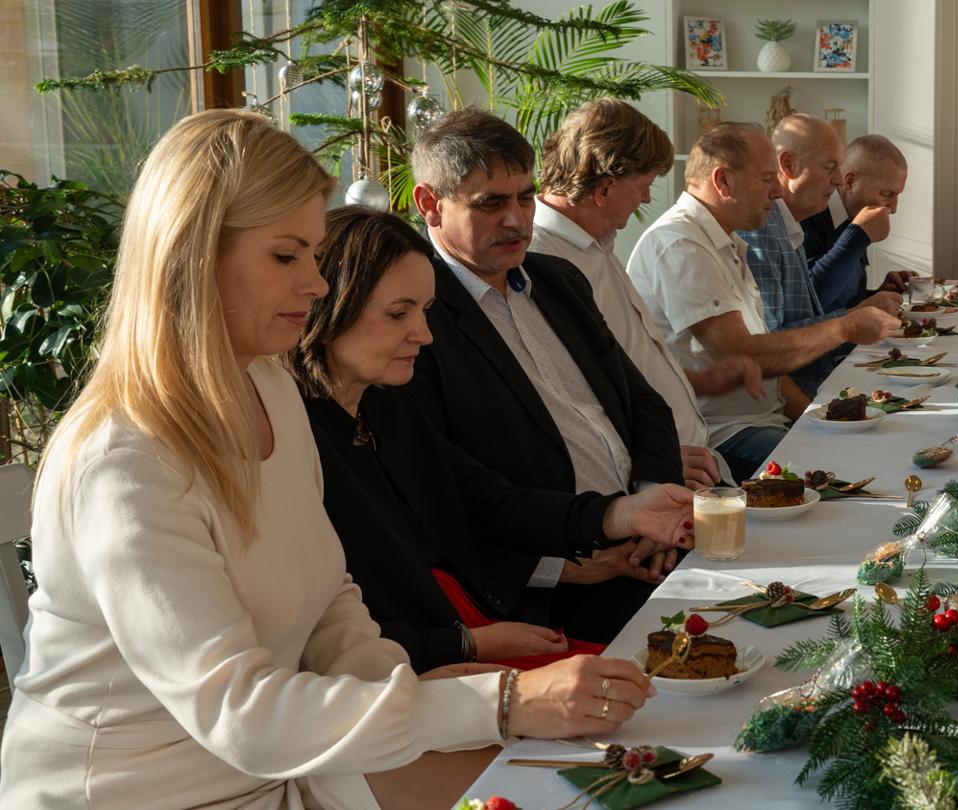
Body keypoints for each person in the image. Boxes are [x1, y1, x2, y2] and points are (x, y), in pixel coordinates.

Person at [0, 109, 650, 810]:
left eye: (313, 253)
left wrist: (400, 682)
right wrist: (499, 701)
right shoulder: (124, 459)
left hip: (290, 759)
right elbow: (241, 713)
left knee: (595, 784)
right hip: (147, 793)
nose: (316, 283)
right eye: (287, 256)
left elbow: (330, 599)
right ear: (191, 252)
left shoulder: (271, 387)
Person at [297, 206, 698, 672]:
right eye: (397, 313)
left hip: (467, 629)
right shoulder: (296, 432)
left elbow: (488, 501)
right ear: (328, 308)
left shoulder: (386, 405)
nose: (424, 335)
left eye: (424, 311)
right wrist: (470, 644)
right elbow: (326, 633)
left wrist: (619, 513)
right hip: (417, 663)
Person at [403, 109, 686, 644]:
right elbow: (439, 486)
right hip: (558, 586)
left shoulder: (557, 281)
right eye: (491, 203)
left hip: (647, 547)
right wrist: (559, 565)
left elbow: (644, 403)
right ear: (429, 205)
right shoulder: (418, 315)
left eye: (525, 197)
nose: (516, 220)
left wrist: (652, 504)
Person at [629, 123, 899, 481]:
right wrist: (846, 326)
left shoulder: (725, 242)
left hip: (758, 421)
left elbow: (768, 366)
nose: (777, 190)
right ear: (723, 181)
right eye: (766, 178)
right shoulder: (680, 243)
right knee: (857, 470)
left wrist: (817, 418)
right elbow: (743, 355)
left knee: (872, 449)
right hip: (721, 436)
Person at [531, 99, 764, 482]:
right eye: (643, 186)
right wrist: (654, 460)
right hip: (654, 480)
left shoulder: (594, 243)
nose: (646, 199)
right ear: (605, 188)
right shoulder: (543, 260)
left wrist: (702, 381)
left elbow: (626, 369)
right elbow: (570, 406)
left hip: (686, 464)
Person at [739, 114, 902, 396]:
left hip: (822, 378)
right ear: (788, 166)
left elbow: (812, 308)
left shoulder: (789, 221)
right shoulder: (769, 225)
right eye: (830, 168)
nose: (837, 181)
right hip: (797, 394)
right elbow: (776, 342)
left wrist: (871, 300)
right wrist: (857, 237)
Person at [798, 133, 914, 312]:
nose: (894, 208)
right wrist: (857, 236)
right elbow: (808, 302)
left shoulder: (853, 216)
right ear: (850, 182)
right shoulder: (809, 217)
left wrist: (878, 294)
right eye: (886, 194)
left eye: (897, 195)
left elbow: (840, 303)